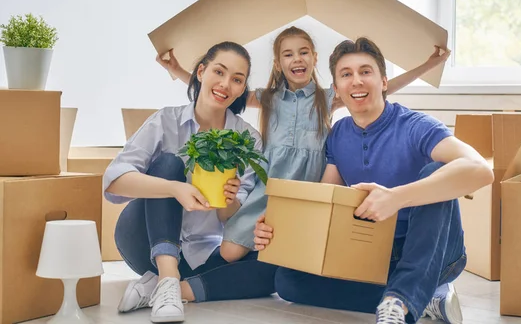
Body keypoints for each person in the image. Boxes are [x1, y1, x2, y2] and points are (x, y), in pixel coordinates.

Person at [158, 27, 451, 265]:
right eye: (288, 54)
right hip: (270, 185)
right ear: (278, 64)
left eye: (303, 52)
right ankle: (264, 259)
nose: (296, 58)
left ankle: (273, 261)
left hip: (308, 185)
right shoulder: (269, 97)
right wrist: (179, 69)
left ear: (314, 58)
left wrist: (428, 65)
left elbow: (383, 87)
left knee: (291, 251)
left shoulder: (328, 96)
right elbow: (222, 93)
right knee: (230, 253)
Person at [253, 38, 494, 324]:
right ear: (338, 88)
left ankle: (401, 301)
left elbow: (480, 169)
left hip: (436, 253)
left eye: (365, 72)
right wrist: (281, 221)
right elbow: (325, 197)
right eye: (346, 75)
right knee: (288, 281)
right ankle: (423, 296)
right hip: (375, 254)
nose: (356, 81)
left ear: (383, 81)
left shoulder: (416, 126)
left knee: (436, 170)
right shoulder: (338, 134)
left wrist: (396, 197)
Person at [103, 41, 278, 323]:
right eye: (219, 72)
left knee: (275, 274)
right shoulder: (166, 120)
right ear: (200, 72)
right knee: (169, 163)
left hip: (208, 255)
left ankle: (165, 288)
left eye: (237, 80)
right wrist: (174, 187)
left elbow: (232, 220)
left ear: (242, 89)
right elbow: (113, 182)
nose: (225, 84)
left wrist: (229, 199)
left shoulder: (248, 140)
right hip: (145, 241)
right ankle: (168, 277)